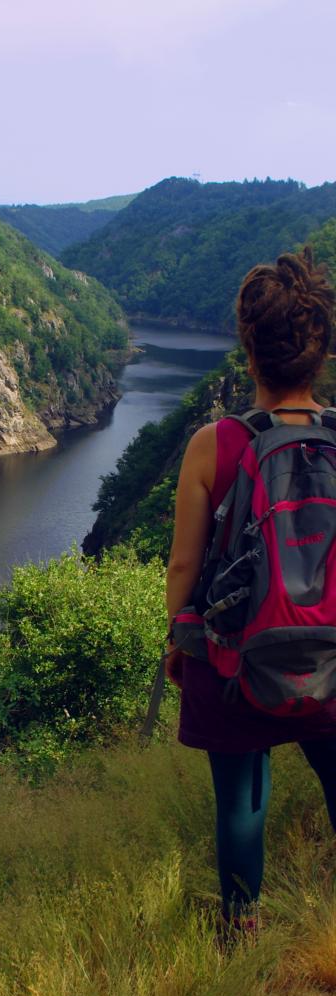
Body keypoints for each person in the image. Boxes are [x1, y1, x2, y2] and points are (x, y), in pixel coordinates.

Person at [165, 248, 336, 931]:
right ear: (319, 349)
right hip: (331, 660)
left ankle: (242, 941)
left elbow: (183, 569)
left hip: (234, 659)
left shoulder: (217, 443)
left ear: (248, 348)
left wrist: (181, 638)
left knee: (240, 806)